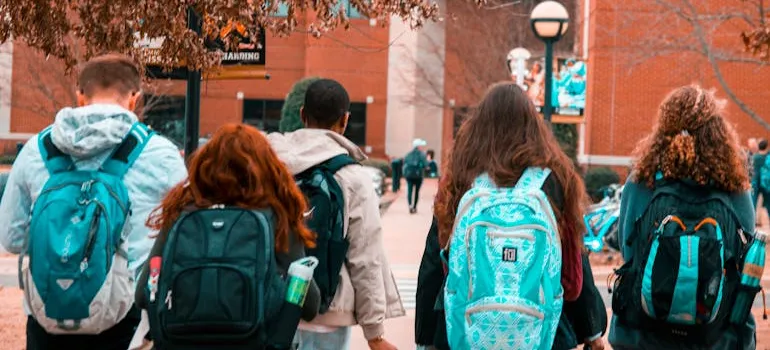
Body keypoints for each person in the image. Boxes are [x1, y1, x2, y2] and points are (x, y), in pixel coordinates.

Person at [0, 53, 187, 350]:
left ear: (80, 95)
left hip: (48, 316)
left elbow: (11, 238)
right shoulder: (161, 155)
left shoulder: (36, 150)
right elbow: (182, 237)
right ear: (135, 98)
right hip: (125, 320)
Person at [135, 123, 321, 349]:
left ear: (204, 166)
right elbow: (310, 305)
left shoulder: (182, 214)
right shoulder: (276, 218)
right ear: (265, 169)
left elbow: (144, 294)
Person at [433, 82, 589, 349]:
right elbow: (572, 283)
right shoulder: (556, 179)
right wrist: (590, 328)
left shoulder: (460, 177)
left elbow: (437, 263)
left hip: (468, 333)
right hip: (538, 334)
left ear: (478, 126)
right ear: (534, 126)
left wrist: (425, 337)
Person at [608, 85, 756, 350]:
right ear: (718, 133)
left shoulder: (641, 181)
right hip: (717, 337)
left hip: (643, 334)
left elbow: (629, 250)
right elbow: (745, 259)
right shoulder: (735, 188)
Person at [267, 78, 404, 350]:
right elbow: (366, 257)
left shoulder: (270, 163)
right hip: (328, 313)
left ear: (302, 114)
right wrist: (374, 333)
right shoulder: (353, 177)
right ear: (345, 120)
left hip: (274, 305)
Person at [403, 139, 429, 214]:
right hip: (418, 176)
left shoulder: (408, 154)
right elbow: (426, 165)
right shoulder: (422, 154)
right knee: (416, 192)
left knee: (410, 190)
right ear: (418, 146)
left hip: (409, 175)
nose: (422, 147)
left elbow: (404, 163)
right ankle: (414, 207)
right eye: (421, 146)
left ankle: (410, 205)